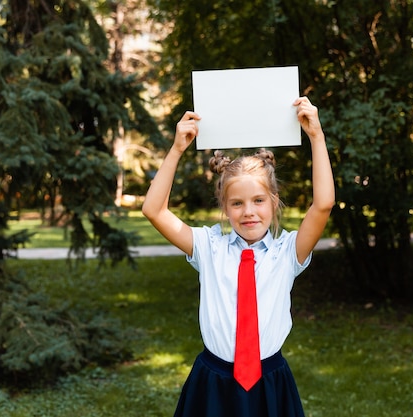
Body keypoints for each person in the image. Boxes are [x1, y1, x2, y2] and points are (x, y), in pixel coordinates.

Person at [142, 96, 335, 417]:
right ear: (224, 206)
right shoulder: (208, 246)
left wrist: (316, 136)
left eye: (258, 200)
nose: (248, 212)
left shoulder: (288, 251)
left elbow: (324, 205)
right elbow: (153, 210)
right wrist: (176, 149)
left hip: (269, 383)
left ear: (274, 202)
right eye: (237, 203)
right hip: (212, 383)